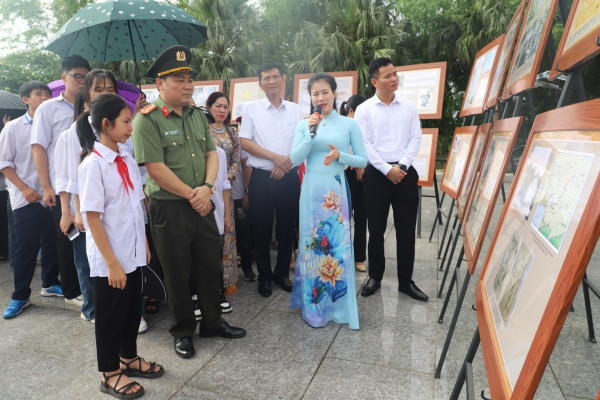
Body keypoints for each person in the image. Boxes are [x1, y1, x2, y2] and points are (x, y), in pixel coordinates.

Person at [132, 45, 245, 359]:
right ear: (159, 84)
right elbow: (155, 168)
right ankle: (182, 331)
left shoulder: (198, 116)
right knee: (177, 271)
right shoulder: (147, 120)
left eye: (189, 79)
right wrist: (194, 195)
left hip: (203, 202)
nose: (188, 85)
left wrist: (207, 188)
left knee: (209, 264)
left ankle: (212, 321)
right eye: (178, 80)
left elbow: (212, 153)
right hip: (170, 208)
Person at [77, 93, 164, 399]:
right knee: (111, 316)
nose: (131, 125)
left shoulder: (125, 156)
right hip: (110, 259)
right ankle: (110, 372)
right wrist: (112, 263)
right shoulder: (93, 166)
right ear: (106, 124)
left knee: (131, 309)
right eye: (126, 121)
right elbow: (93, 219)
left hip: (133, 252)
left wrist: (143, 244)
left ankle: (128, 357)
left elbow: (135, 205)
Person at [289, 73, 367, 329]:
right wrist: (310, 134)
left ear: (335, 94)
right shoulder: (304, 124)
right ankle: (314, 307)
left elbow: (363, 161)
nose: (320, 98)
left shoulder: (348, 124)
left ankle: (338, 306)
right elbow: (295, 159)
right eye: (315, 94)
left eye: (325, 92)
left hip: (334, 192)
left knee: (336, 246)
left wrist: (340, 155)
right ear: (310, 97)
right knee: (311, 245)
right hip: (310, 190)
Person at [354, 58, 428, 301]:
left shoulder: (408, 107)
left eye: (395, 74)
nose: (394, 78)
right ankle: (375, 276)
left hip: (405, 173)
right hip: (376, 174)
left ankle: (406, 282)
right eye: (387, 76)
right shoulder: (364, 110)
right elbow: (365, 145)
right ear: (375, 81)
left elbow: (415, 138)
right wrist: (387, 170)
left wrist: (402, 166)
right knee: (375, 229)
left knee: (406, 231)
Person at [54, 70, 118, 324]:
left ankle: (116, 306)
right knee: (87, 261)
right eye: (98, 90)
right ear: (87, 96)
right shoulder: (72, 133)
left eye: (109, 90)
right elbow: (67, 177)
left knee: (112, 259)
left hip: (113, 209)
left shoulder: (121, 125)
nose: (105, 95)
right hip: (84, 210)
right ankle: (92, 310)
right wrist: (70, 212)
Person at [31, 55, 90, 309]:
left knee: (87, 236)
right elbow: (39, 147)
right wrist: (46, 186)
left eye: (86, 78)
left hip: (89, 182)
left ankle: (87, 283)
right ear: (63, 77)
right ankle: (71, 290)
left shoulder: (92, 106)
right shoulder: (49, 108)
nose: (82, 81)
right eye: (78, 77)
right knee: (68, 236)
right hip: (63, 185)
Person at [239, 62, 303, 297]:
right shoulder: (252, 110)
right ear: (260, 84)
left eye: (275, 77)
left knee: (288, 228)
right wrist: (275, 158)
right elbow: (245, 142)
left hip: (289, 178)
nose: (272, 81)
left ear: (284, 79)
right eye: (266, 78)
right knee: (261, 229)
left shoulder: (296, 110)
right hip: (261, 180)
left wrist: (285, 166)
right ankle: (265, 277)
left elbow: (302, 143)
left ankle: (283, 275)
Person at [0, 81, 61, 319]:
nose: (45, 98)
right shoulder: (13, 128)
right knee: (26, 247)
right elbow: (5, 164)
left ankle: (50, 283)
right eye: (39, 94)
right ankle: (20, 295)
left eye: (48, 94)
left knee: (53, 241)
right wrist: (25, 189)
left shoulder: (56, 125)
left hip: (54, 196)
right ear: (26, 99)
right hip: (26, 197)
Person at [206, 92, 239, 307]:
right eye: (218, 106)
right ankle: (209, 283)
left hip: (225, 190)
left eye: (226, 107)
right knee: (210, 235)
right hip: (207, 190)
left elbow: (236, 156)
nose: (222, 110)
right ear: (208, 107)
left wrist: (228, 174)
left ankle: (227, 281)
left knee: (227, 235)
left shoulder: (231, 131)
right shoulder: (202, 131)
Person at [339, 95, 368, 272]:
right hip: (345, 174)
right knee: (344, 217)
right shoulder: (341, 125)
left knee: (362, 217)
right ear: (351, 111)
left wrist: (362, 165)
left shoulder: (364, 125)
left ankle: (359, 258)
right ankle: (342, 255)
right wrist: (353, 163)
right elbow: (337, 151)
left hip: (363, 175)